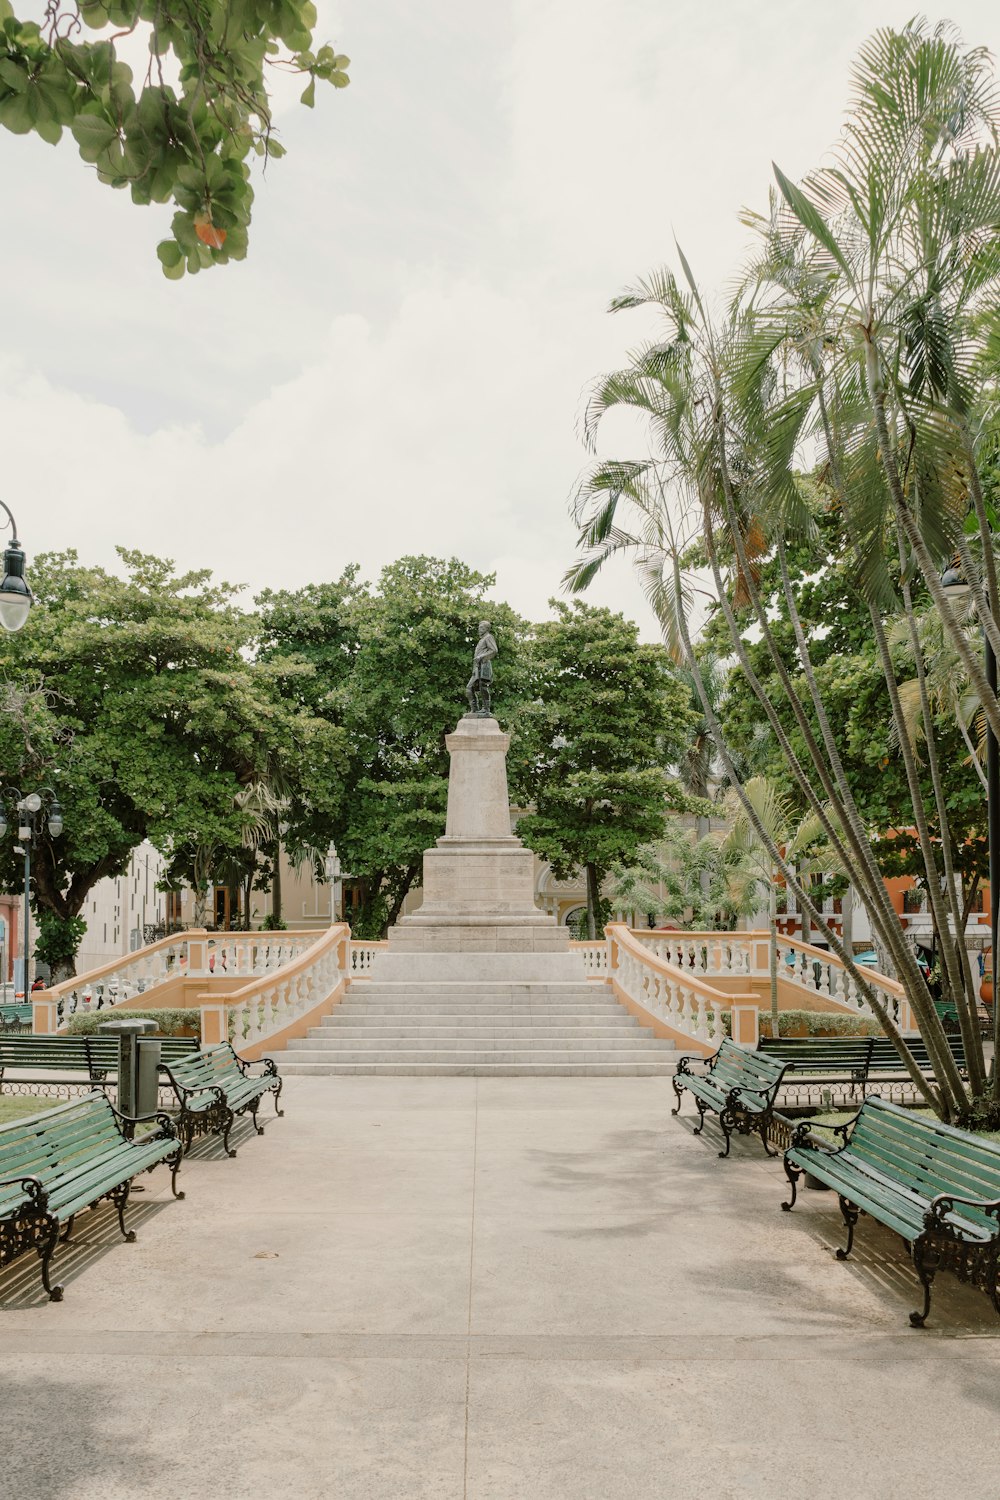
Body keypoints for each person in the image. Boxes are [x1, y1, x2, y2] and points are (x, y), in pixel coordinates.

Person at [465, 621, 498, 716]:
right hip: (477, 667)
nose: (479, 629)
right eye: (479, 628)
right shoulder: (482, 639)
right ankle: (474, 709)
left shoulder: (489, 637)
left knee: (482, 686)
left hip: (484, 665)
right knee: (469, 688)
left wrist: (481, 657)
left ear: (486, 629)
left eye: (481, 628)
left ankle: (486, 709)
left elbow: (494, 650)